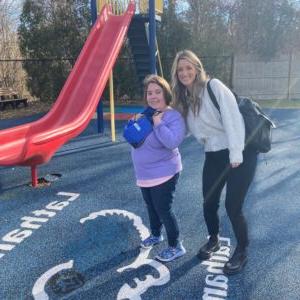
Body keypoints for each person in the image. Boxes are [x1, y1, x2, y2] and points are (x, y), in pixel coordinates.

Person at [171, 50, 257, 275]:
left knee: (233, 206)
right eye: (180, 69)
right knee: (208, 202)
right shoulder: (185, 99)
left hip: (240, 152)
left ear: (197, 68)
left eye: (189, 67)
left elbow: (233, 119)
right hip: (213, 154)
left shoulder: (214, 86)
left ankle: (242, 250)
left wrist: (236, 154)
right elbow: (184, 131)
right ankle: (214, 239)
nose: (184, 72)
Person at [130, 74, 186, 262]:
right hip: (144, 173)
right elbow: (133, 138)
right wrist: (133, 122)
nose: (153, 96)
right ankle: (156, 234)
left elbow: (172, 142)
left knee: (163, 209)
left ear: (165, 93)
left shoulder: (173, 116)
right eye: (149, 93)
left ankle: (176, 245)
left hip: (165, 172)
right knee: (151, 207)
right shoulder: (145, 114)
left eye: (157, 92)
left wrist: (158, 123)